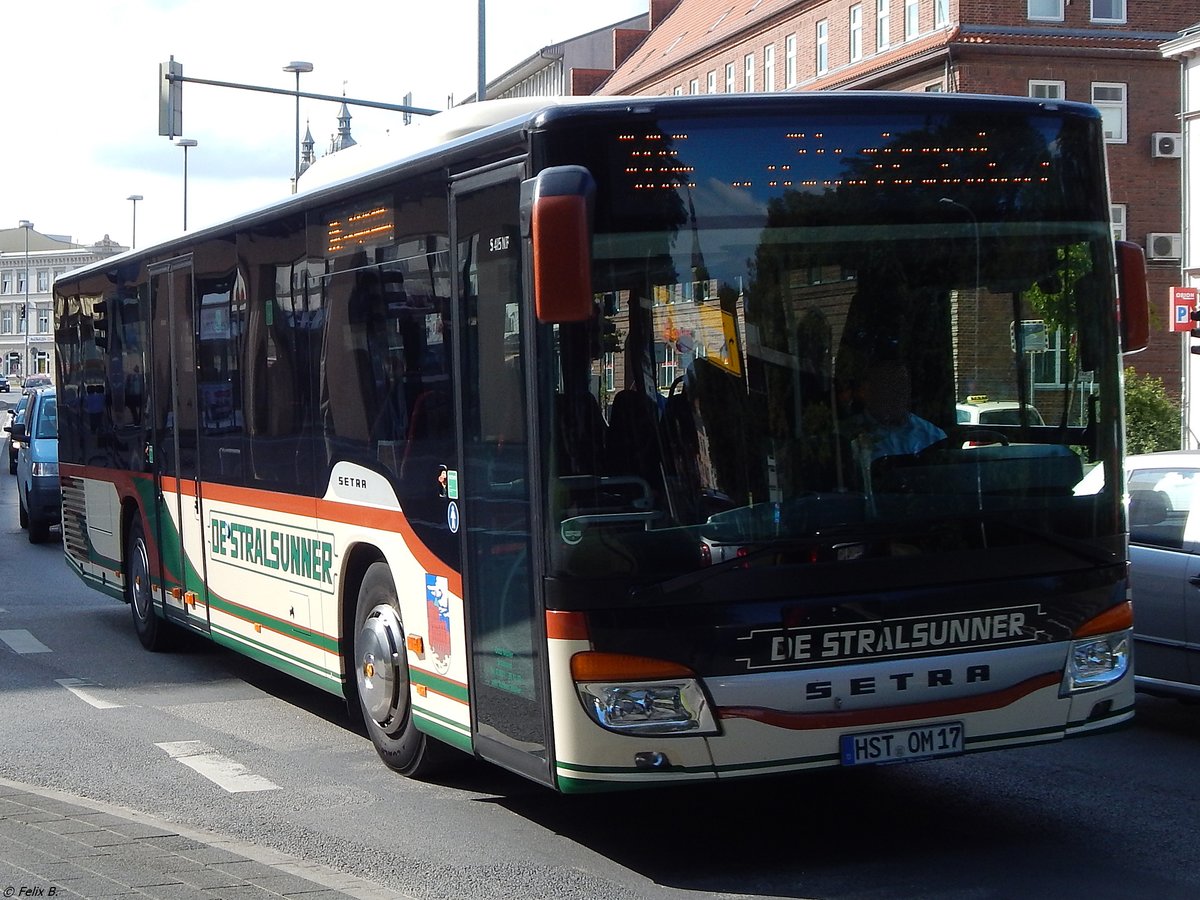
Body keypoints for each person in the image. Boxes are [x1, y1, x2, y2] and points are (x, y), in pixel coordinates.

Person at [846, 359, 945, 462]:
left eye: (902, 385)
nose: (897, 393)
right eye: (887, 386)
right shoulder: (846, 435)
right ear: (867, 391)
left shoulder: (932, 435)